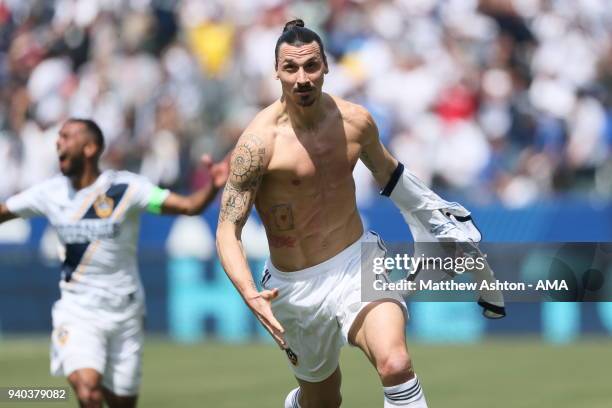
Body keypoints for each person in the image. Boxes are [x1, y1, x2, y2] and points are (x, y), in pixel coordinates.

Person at [0, 118, 229, 408]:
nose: (58, 142)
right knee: (88, 391)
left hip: (124, 313)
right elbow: (3, 211)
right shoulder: (50, 192)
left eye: (66, 137)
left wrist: (212, 186)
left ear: (90, 148)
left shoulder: (126, 188)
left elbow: (189, 206)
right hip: (77, 311)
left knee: (121, 403)